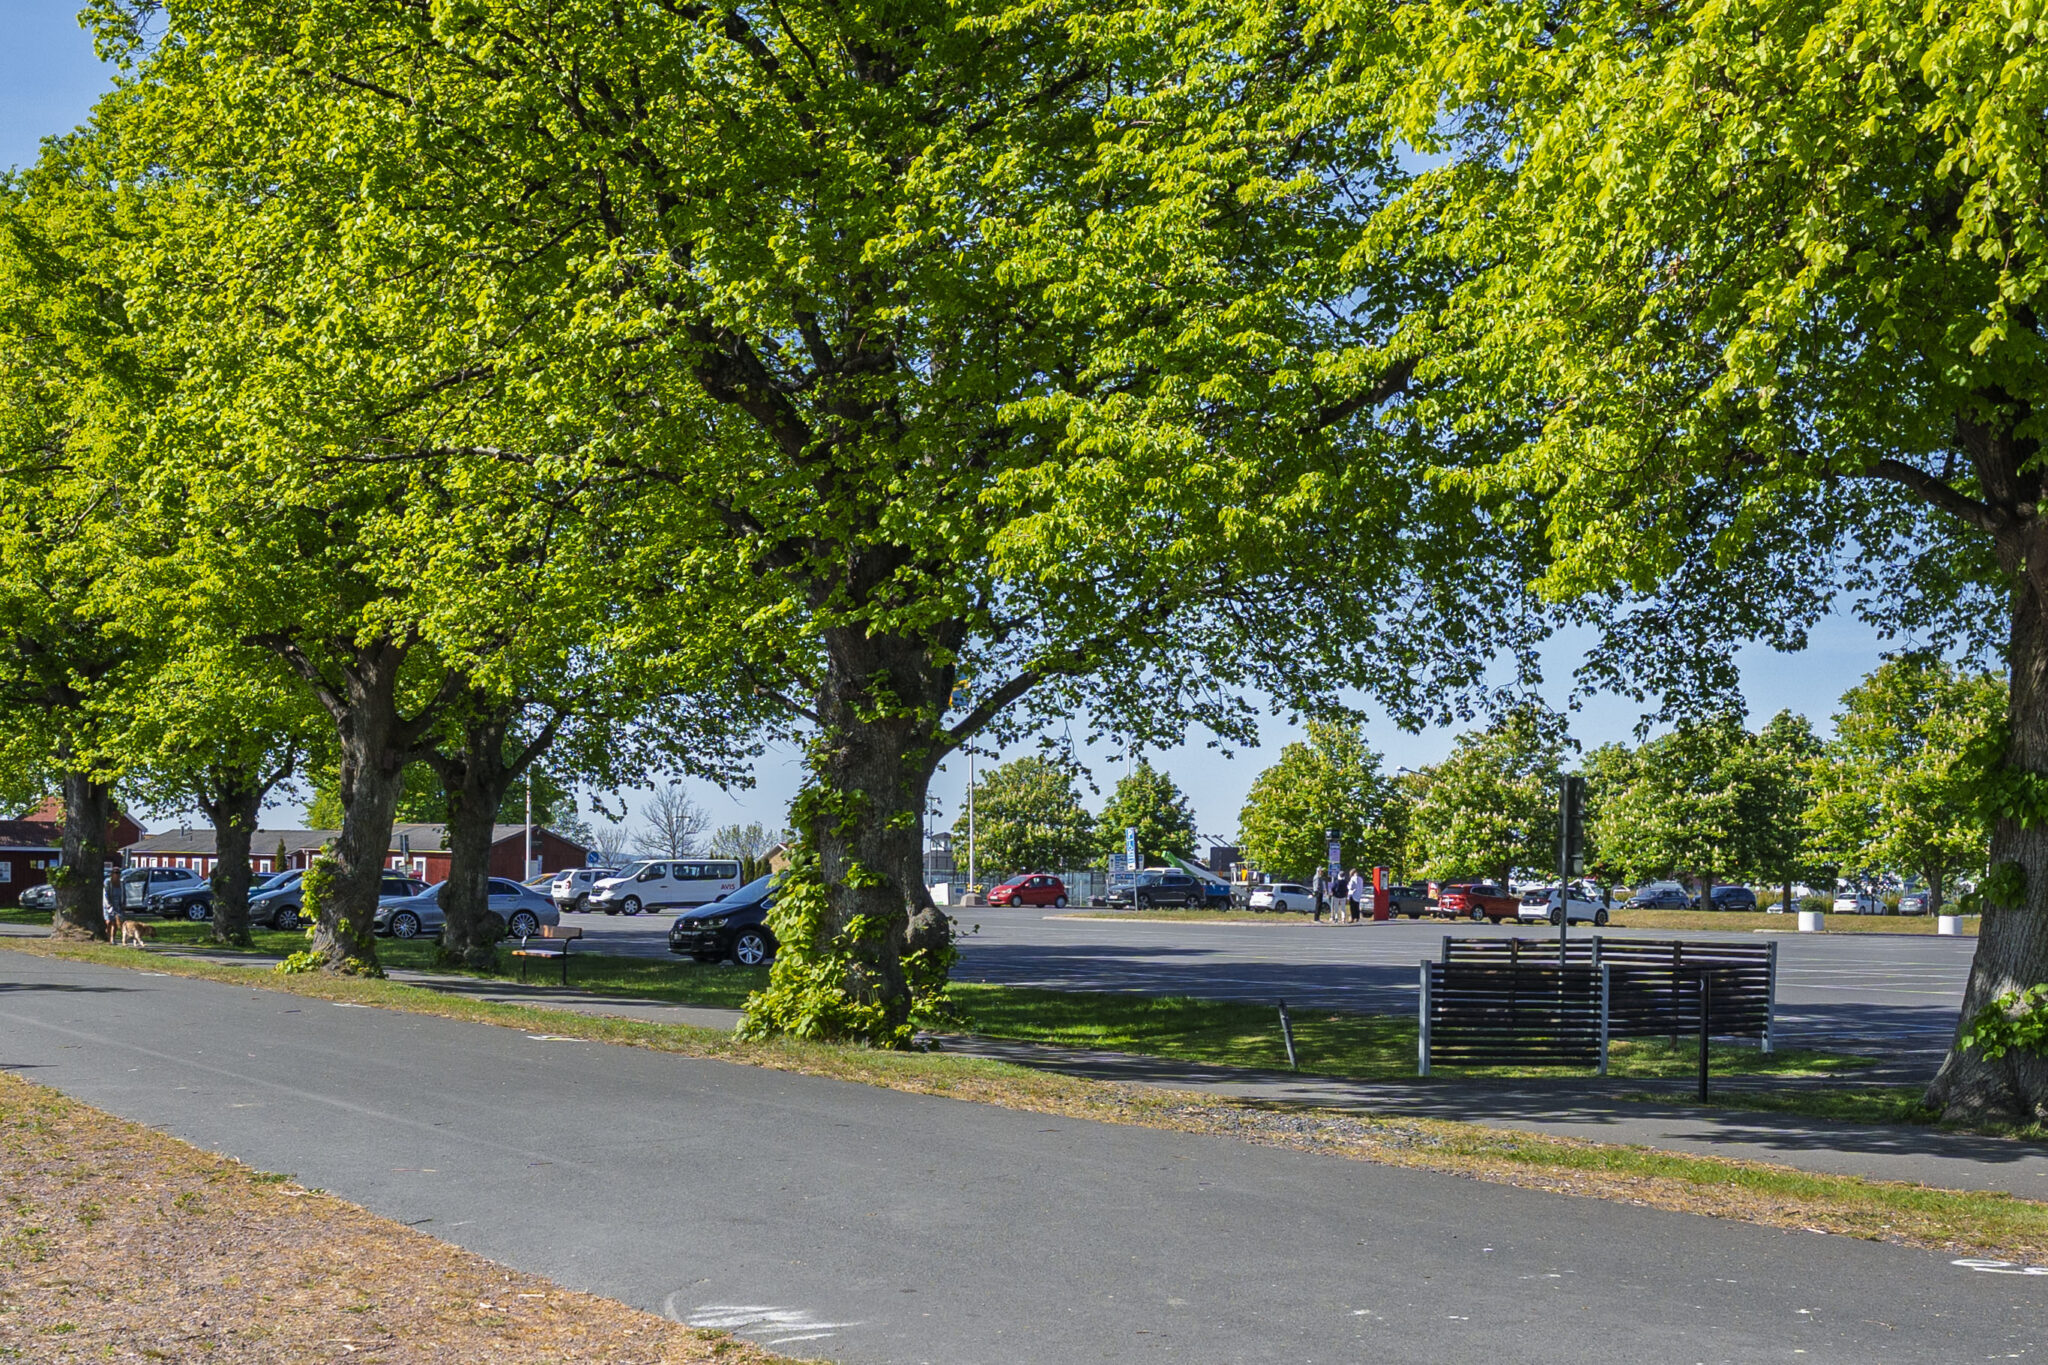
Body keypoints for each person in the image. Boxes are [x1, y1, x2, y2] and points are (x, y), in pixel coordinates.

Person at [103, 867, 127, 943]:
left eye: (118, 873)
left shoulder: (121, 883)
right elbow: (105, 894)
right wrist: (109, 905)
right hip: (108, 904)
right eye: (115, 873)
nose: (117, 875)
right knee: (109, 922)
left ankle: (112, 938)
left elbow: (124, 894)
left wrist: (123, 904)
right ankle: (107, 936)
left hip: (118, 905)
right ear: (112, 874)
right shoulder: (107, 882)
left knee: (116, 922)